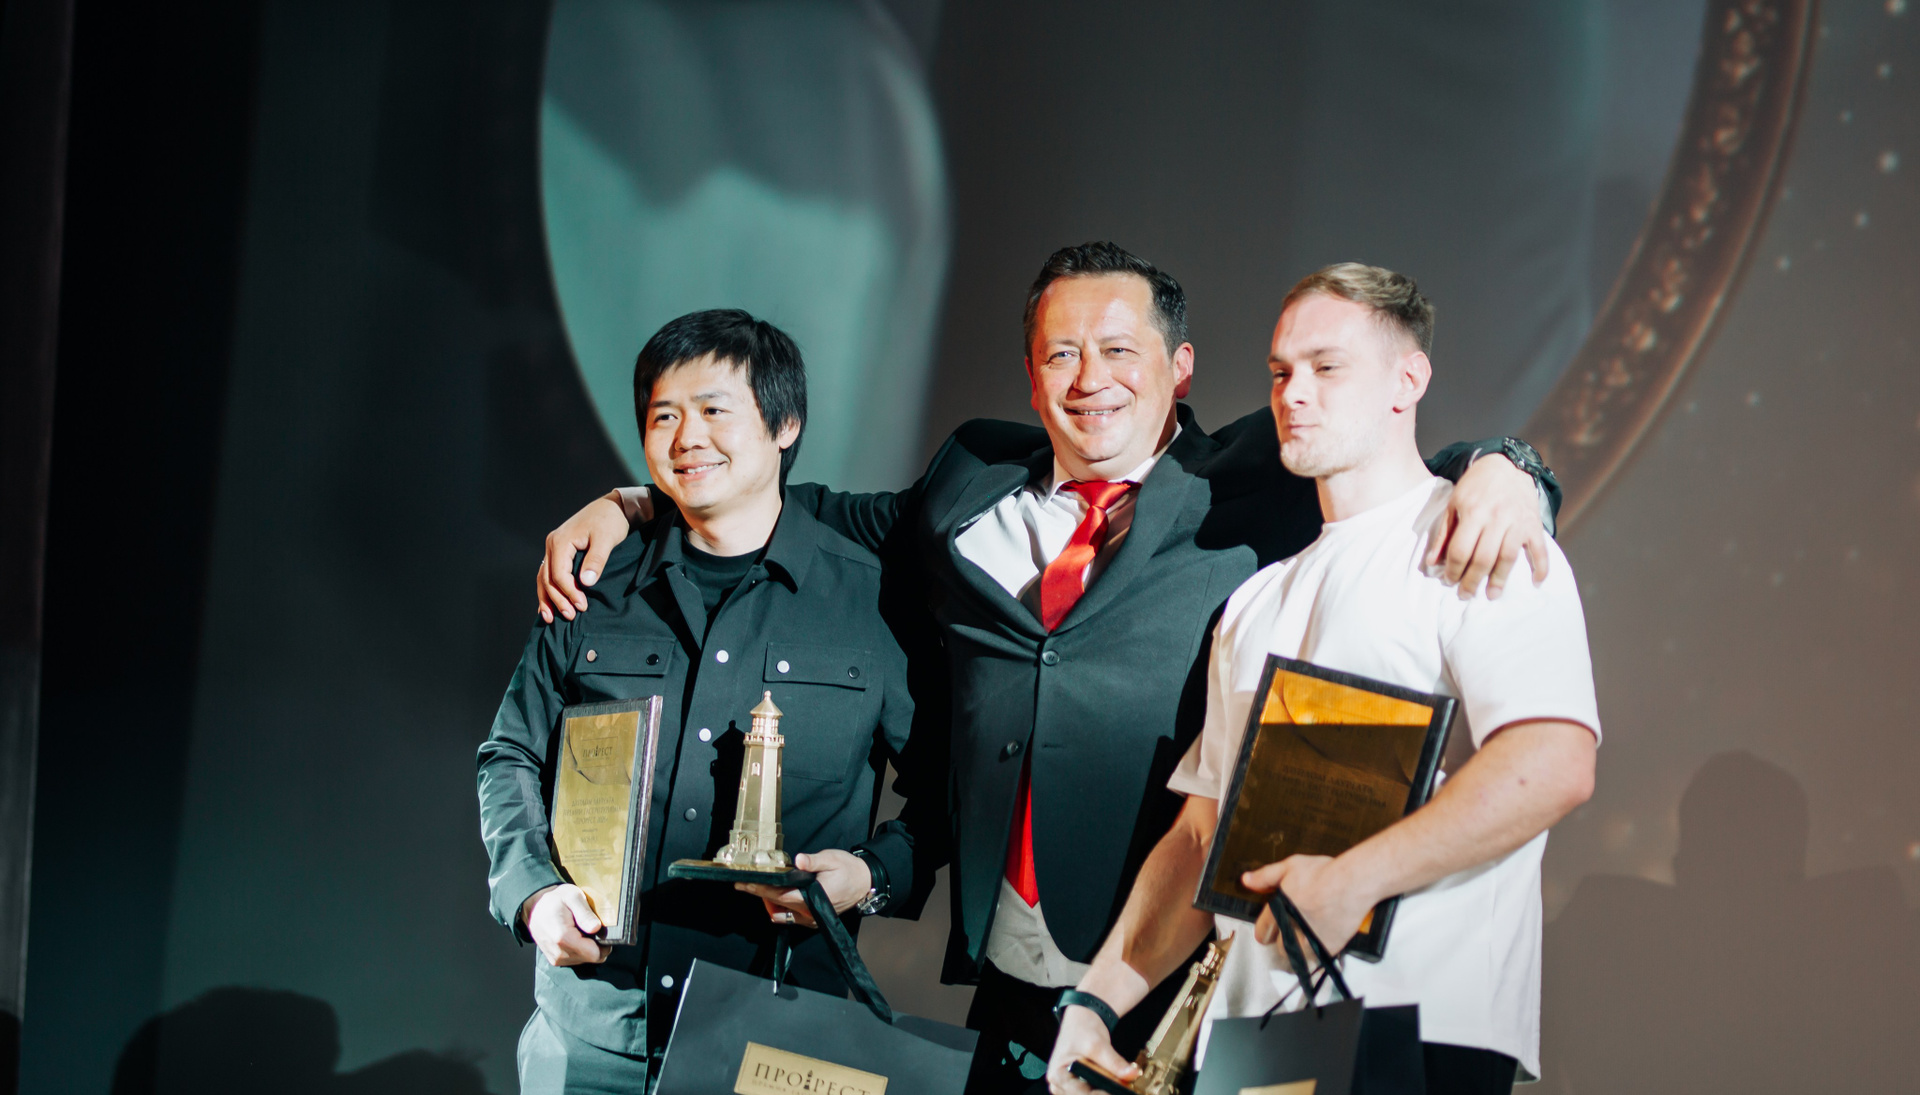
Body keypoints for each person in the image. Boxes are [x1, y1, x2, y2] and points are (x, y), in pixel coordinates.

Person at [535, 243, 1559, 1091]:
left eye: (1118, 349)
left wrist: (1513, 471)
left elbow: (1395, 458)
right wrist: (632, 504)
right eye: (1060, 353)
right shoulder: (969, 478)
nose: (1088, 377)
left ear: (1181, 367)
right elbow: (809, 513)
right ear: (1030, 376)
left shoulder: (1250, 480)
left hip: (1175, 955)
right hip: (1016, 965)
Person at [1045, 263, 1600, 1095]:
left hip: (1417, 1024)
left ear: (1408, 380)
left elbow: (1553, 762)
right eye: (1280, 371)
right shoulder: (1256, 601)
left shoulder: (1483, 539)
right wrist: (1097, 1001)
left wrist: (1354, 880)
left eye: (1327, 366)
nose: (1293, 393)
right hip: (1250, 1043)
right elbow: (1201, 835)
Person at [476, 309, 933, 1093]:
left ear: (785, 424)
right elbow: (510, 752)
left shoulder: (873, 601)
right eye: (664, 416)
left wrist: (871, 873)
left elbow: (948, 798)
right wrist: (533, 895)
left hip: (774, 1040)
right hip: (590, 1033)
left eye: (714, 410)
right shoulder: (593, 585)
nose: (687, 436)